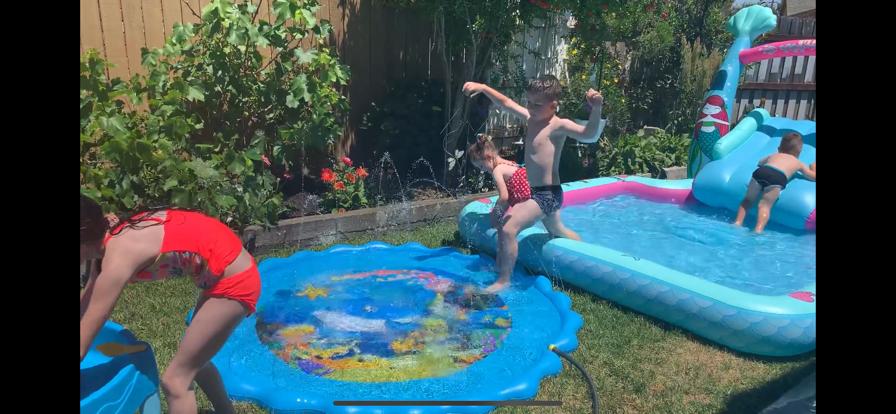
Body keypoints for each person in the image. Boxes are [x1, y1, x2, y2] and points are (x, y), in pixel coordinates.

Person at [80, 194, 261, 414]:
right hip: (226, 266)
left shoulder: (119, 257)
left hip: (235, 280)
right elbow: (87, 302)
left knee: (176, 382)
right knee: (197, 361)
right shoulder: (107, 238)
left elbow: (87, 333)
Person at [462, 75, 602, 292]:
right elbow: (505, 102)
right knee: (559, 231)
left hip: (547, 194)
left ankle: (503, 280)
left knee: (508, 228)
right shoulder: (530, 118)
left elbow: (590, 135)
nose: (531, 107)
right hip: (538, 193)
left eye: (537, 104)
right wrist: (482, 87)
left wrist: (597, 108)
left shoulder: (558, 126)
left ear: (553, 105)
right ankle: (588, 253)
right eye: (529, 102)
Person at [733, 132, 816, 233]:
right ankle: (758, 230)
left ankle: (737, 222)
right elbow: (812, 176)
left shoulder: (774, 155)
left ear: (779, 148)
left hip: (761, 172)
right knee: (764, 206)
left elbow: (760, 162)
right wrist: (813, 167)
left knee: (747, 200)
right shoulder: (798, 163)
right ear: (799, 152)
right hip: (778, 177)